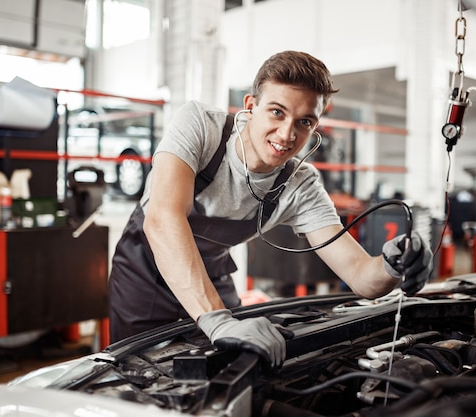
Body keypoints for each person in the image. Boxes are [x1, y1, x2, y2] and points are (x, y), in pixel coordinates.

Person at [108, 50, 433, 368]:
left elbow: (361, 278)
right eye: (277, 112)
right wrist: (218, 321)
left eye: (304, 121)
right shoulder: (202, 127)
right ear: (251, 106)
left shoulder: (300, 184)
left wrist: (393, 264)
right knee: (141, 377)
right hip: (144, 276)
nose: (287, 134)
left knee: (230, 370)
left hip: (211, 277)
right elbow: (162, 219)